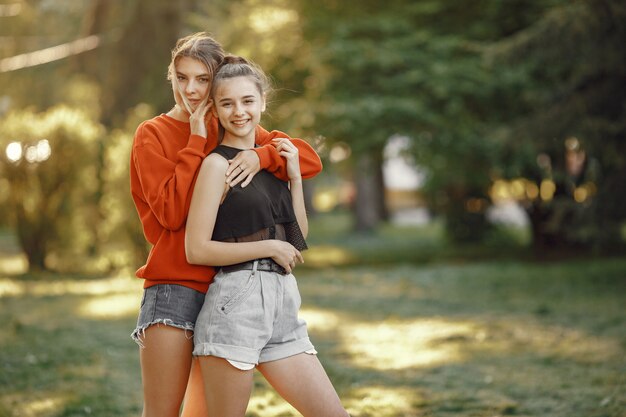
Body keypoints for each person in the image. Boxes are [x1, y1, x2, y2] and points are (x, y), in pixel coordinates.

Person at [129, 33, 323, 417]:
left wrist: (261, 156)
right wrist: (197, 141)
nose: (191, 89)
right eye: (181, 77)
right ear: (170, 78)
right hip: (177, 285)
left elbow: (307, 159)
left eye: (202, 79)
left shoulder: (230, 122)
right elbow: (170, 213)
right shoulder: (152, 134)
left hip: (229, 287)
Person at [185, 55, 349, 417]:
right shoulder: (216, 165)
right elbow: (195, 249)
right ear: (214, 108)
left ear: (262, 102)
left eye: (247, 101)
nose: (238, 112)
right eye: (227, 103)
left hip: (283, 306)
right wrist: (270, 246)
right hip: (236, 302)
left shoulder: (271, 162)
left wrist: (293, 177)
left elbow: (297, 239)